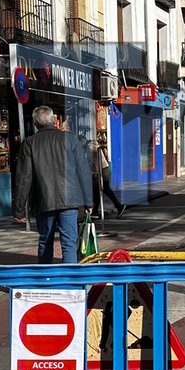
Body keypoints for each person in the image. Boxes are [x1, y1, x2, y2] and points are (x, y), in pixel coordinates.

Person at [13, 105, 93, 264]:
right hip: (70, 200)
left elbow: (24, 178)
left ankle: (46, 282)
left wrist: (18, 209)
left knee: (45, 241)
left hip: (44, 199)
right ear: (54, 121)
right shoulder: (71, 139)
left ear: (36, 124)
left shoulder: (30, 143)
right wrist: (88, 201)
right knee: (69, 243)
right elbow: (83, 172)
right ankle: (70, 284)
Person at [90, 133, 125, 218]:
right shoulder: (94, 146)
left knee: (101, 190)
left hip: (101, 170)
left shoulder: (90, 148)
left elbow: (94, 161)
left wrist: (94, 172)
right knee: (98, 190)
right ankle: (95, 211)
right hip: (104, 169)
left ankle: (119, 206)